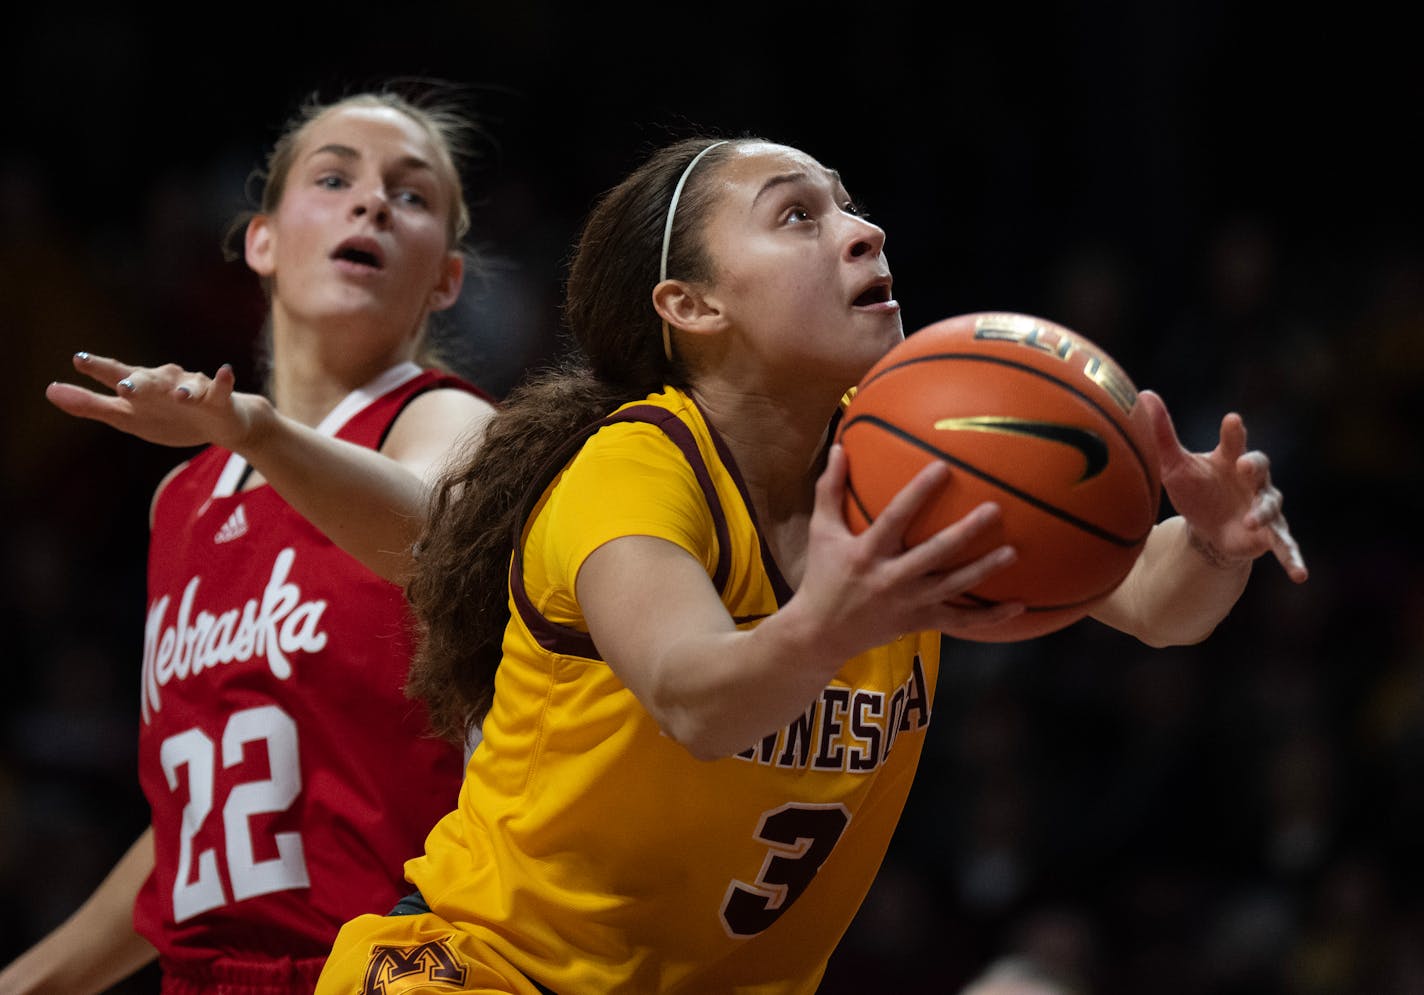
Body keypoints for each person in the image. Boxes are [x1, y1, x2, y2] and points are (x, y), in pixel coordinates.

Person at [308, 133, 1306, 995]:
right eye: (795, 216)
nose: (862, 232)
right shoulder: (635, 464)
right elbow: (691, 692)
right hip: (485, 967)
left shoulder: (909, 467)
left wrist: (1217, 537)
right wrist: (831, 620)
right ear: (691, 304)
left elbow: (1155, 604)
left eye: (851, 208)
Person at [0, 85, 498, 995]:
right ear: (261, 241)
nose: (373, 201)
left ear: (445, 279)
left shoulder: (448, 422)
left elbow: (435, 538)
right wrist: (37, 978)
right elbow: (202, 825)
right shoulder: (181, 500)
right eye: (335, 176)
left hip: (396, 971)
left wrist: (254, 430)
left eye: (412, 194)